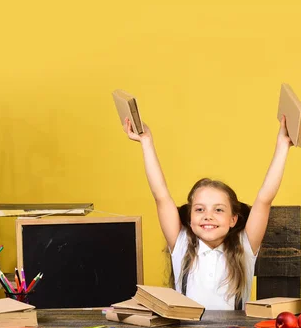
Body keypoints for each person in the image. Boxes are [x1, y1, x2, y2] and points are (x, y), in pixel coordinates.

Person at [123, 115, 292, 310]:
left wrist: (283, 145)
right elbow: (161, 195)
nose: (208, 216)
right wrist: (146, 142)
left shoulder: (244, 247)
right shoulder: (182, 244)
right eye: (200, 209)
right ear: (190, 216)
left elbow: (264, 199)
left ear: (233, 219)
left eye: (218, 210)